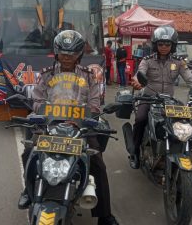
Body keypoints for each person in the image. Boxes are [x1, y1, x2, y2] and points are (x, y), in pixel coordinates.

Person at [19, 30, 119, 225]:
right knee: (30, 152)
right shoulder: (46, 75)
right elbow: (38, 100)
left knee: (97, 162)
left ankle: (104, 215)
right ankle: (28, 191)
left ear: (79, 54)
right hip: (51, 124)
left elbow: (94, 103)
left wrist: (81, 118)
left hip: (79, 126)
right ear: (56, 52)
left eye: (71, 53)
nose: (67, 57)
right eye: (63, 52)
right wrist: (46, 114)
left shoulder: (89, 77)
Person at [129, 26, 192, 189]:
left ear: (172, 45)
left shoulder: (179, 62)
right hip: (149, 97)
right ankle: (134, 153)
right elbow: (140, 73)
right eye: (161, 44)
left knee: (187, 122)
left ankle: (189, 164)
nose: (164, 47)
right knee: (140, 119)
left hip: (169, 101)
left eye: (167, 44)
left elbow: (191, 80)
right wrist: (137, 81)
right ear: (155, 44)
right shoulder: (147, 60)